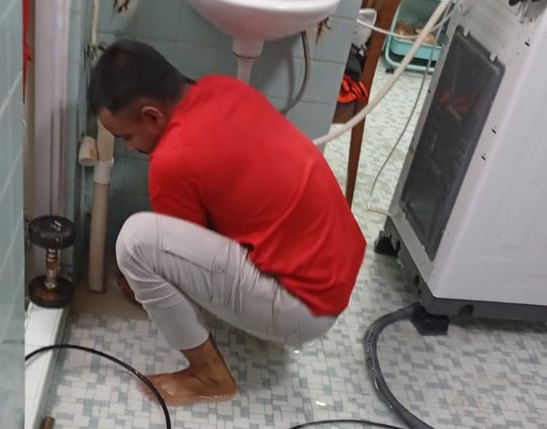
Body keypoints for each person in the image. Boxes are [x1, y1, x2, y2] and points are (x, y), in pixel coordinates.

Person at [87, 40, 366, 406]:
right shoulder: (223, 89)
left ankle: (209, 376)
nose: (128, 146)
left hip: (305, 309)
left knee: (135, 244)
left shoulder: (172, 160)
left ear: (152, 116)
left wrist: (141, 287)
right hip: (336, 275)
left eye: (126, 136)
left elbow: (180, 269)